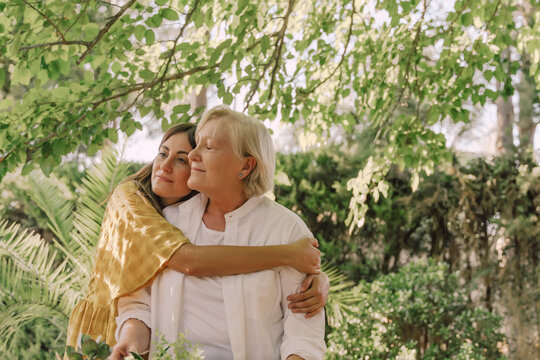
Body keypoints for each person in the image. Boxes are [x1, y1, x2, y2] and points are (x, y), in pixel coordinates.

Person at [66, 122, 329, 351]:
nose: (165, 166)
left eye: (182, 159)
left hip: (140, 336)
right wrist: (288, 254)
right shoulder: (130, 198)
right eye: (162, 153)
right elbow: (189, 260)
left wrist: (318, 278)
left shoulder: (199, 209)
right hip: (106, 327)